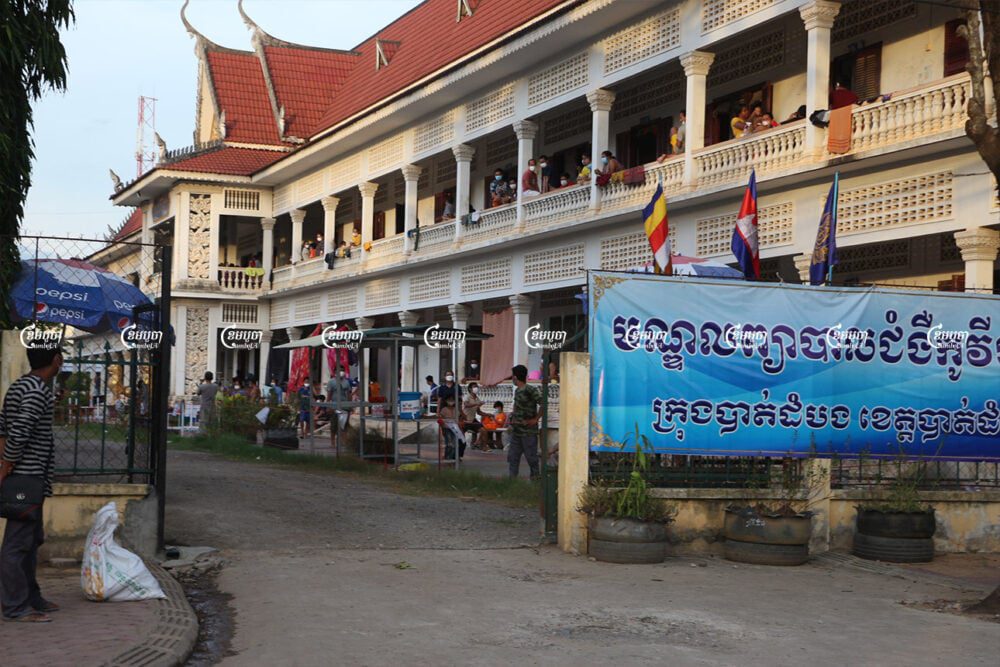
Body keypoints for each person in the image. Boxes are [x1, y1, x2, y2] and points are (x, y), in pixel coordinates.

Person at [0, 346, 62, 622]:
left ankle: (31, 597)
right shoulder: (37, 391)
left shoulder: (20, 386)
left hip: (28, 478)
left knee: (32, 539)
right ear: (56, 360)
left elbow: (3, 427)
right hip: (28, 478)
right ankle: (15, 607)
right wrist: (6, 466)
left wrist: (5, 463)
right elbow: (19, 430)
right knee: (16, 545)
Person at [508, 364, 542, 478]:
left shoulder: (530, 389)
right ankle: (512, 481)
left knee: (531, 458)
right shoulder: (517, 391)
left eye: (512, 376)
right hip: (517, 430)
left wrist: (535, 419)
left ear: (515, 377)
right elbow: (516, 406)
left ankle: (535, 479)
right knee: (513, 457)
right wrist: (512, 418)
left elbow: (543, 403)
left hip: (528, 431)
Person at [461, 382, 485, 449]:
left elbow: (479, 412)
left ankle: (477, 443)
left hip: (473, 419)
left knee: (483, 430)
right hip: (465, 419)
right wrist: (476, 404)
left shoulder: (477, 398)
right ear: (470, 389)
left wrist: (488, 414)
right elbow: (466, 405)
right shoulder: (467, 396)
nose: (476, 388)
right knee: (461, 434)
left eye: (477, 387)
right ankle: (461, 446)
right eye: (474, 387)